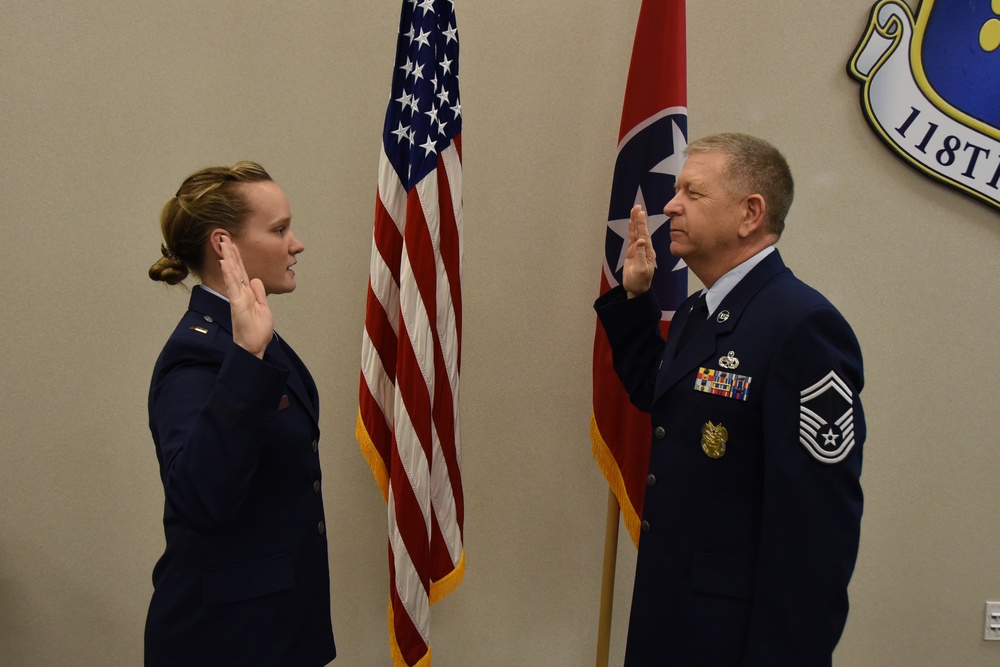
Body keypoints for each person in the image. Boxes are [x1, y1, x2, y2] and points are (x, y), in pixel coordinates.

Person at [595, 133, 865, 666]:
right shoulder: (702, 311)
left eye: (692, 193)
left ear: (750, 214)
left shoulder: (802, 326)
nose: (671, 204)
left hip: (733, 640)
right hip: (671, 618)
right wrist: (635, 298)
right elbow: (660, 393)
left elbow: (815, 537)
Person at [145, 161, 336, 666]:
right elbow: (200, 498)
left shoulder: (244, 333)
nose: (297, 244)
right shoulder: (198, 353)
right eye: (279, 230)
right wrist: (248, 357)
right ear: (224, 245)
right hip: (226, 641)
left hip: (276, 629)